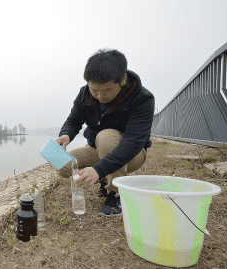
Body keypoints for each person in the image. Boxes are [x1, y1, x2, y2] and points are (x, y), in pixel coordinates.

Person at [56, 48, 155, 216]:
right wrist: (66, 134)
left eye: (106, 90)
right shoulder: (85, 93)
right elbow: (74, 120)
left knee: (106, 137)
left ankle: (115, 194)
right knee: (63, 165)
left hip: (132, 153)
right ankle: (104, 180)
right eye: (95, 90)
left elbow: (134, 142)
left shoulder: (142, 98)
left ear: (122, 79)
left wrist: (98, 169)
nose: (100, 96)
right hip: (98, 149)